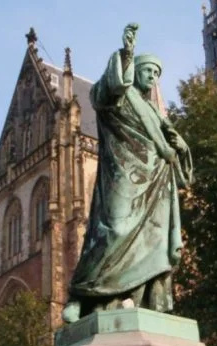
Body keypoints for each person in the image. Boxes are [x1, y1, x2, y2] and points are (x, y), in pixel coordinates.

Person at [63, 23, 192, 322]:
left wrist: (180, 146)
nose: (153, 77)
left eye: (157, 74)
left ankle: (135, 299)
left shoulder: (154, 113)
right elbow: (104, 93)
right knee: (114, 231)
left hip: (155, 186)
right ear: (135, 70)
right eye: (148, 71)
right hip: (123, 176)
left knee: (155, 245)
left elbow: (176, 153)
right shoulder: (117, 95)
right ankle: (82, 294)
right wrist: (127, 53)